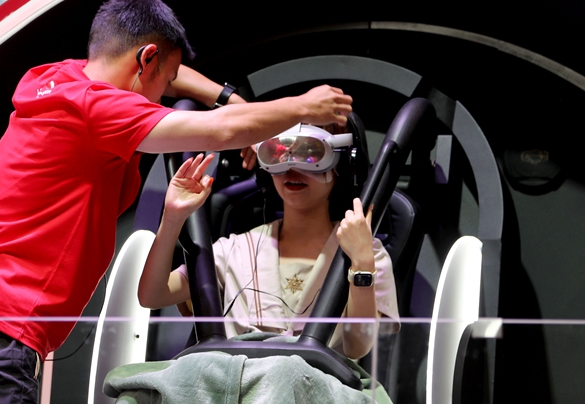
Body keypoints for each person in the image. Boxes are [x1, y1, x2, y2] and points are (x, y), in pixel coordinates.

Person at [0, 0, 353, 404]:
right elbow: (224, 131)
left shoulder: (58, 80)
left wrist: (226, 96)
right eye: (163, 79)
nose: (164, 92)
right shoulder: (101, 110)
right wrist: (302, 106)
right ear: (145, 58)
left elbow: (169, 74)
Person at [136, 125, 399, 361]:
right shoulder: (236, 250)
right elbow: (152, 295)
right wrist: (172, 219)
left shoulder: (367, 252)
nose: (292, 168)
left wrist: (362, 262)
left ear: (340, 164)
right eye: (279, 152)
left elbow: (358, 347)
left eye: (310, 152)